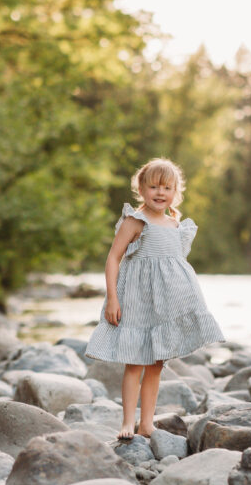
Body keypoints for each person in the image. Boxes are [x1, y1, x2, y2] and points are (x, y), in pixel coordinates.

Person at [85, 158, 225, 440]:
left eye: (167, 187)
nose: (160, 193)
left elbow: (174, 269)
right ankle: (127, 422)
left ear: (176, 191)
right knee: (134, 363)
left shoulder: (176, 225)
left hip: (165, 304)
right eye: (154, 187)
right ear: (141, 189)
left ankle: (147, 423)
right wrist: (112, 298)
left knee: (156, 365)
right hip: (137, 301)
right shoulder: (136, 221)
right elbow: (114, 258)